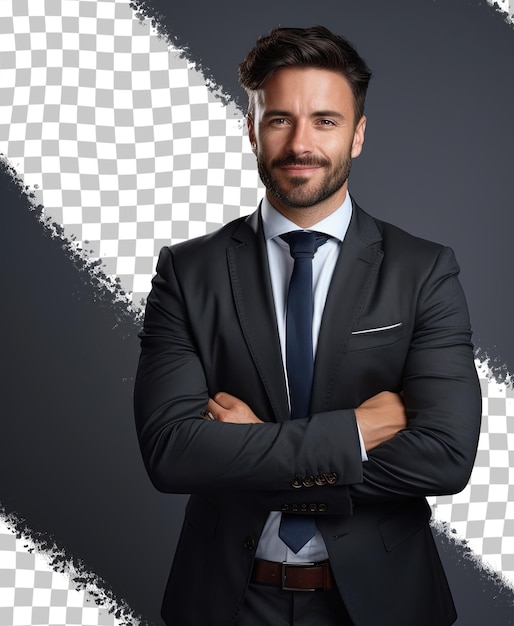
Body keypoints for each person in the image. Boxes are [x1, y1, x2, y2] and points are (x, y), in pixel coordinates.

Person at [134, 25, 482, 626]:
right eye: (279, 120)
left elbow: (446, 457)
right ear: (251, 129)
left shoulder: (423, 270)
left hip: (383, 604)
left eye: (325, 120)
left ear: (358, 135)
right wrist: (353, 433)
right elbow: (172, 453)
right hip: (226, 603)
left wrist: (250, 452)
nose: (301, 143)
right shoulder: (187, 273)